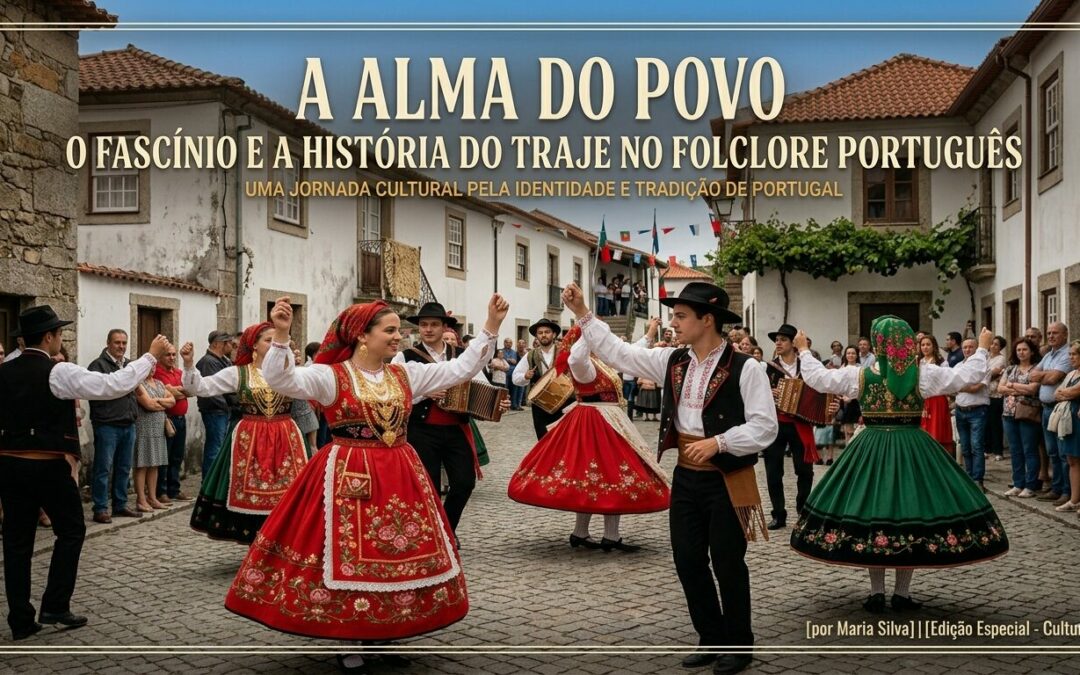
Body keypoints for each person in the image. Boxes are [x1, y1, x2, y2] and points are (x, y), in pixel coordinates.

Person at [223, 294, 507, 658]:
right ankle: (348, 633)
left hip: (400, 472)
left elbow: (462, 368)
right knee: (345, 552)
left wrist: (491, 325)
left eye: (398, 332)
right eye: (389, 331)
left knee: (394, 551)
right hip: (347, 472)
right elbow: (281, 379)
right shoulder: (331, 376)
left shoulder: (406, 374)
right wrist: (281, 335)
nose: (398, 338)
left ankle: (387, 626)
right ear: (361, 335)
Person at [563, 281, 776, 675]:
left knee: (728, 562)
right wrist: (582, 313)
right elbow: (620, 353)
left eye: (680, 316)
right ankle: (710, 636)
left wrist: (719, 443)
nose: (672, 323)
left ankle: (738, 643)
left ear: (706, 320)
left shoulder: (748, 369)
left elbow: (766, 427)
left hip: (727, 477)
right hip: (686, 478)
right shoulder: (672, 361)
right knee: (687, 559)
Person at [790, 319, 1007, 612]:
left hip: (872, 447)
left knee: (874, 513)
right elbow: (963, 376)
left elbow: (820, 379)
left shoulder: (862, 375)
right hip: (913, 448)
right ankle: (901, 594)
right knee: (911, 511)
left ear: (878, 344)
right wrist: (981, 348)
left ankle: (877, 592)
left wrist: (803, 351)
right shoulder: (922, 374)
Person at [0, 305, 170, 640]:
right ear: (48, 337)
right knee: (73, 531)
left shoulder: (4, 370)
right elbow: (112, 385)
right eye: (58, 333)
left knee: (17, 544)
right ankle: (55, 604)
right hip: (47, 465)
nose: (59, 339)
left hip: (10, 464)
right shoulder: (56, 372)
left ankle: (20, 619)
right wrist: (150, 357)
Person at [508, 324, 670, 552]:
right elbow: (576, 359)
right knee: (609, 473)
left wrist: (650, 334)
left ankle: (584, 533)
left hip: (607, 418)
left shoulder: (601, 361)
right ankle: (604, 535)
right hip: (596, 421)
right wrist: (586, 331)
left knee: (598, 475)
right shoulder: (584, 364)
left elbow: (629, 353)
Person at [184, 323, 310, 544]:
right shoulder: (239, 373)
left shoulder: (289, 373)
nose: (273, 345)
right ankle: (256, 541)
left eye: (276, 341)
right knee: (247, 487)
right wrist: (188, 365)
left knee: (291, 491)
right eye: (268, 341)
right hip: (250, 439)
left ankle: (283, 541)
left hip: (286, 437)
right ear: (254, 345)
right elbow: (200, 388)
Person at [392, 302, 505, 535]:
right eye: (424, 325)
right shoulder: (405, 357)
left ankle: (447, 529)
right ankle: (437, 535)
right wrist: (425, 392)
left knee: (464, 483)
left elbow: (481, 384)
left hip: (456, 429)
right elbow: (395, 392)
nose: (428, 329)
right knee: (430, 485)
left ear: (445, 327)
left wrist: (496, 402)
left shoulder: (462, 355)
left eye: (434, 324)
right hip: (422, 430)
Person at [761, 324, 824, 530]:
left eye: (783, 339)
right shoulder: (767, 368)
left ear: (793, 344)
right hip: (776, 423)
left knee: (805, 471)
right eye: (776, 339)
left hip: (801, 424)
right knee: (773, 471)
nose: (778, 343)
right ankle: (778, 514)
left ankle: (803, 511)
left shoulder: (807, 366)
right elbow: (755, 394)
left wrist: (831, 404)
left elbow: (822, 389)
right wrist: (768, 393)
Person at [88, 329, 142, 524]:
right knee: (103, 468)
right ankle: (100, 508)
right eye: (117, 342)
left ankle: (120, 504)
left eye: (124, 343)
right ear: (108, 343)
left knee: (124, 467)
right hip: (107, 425)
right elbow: (94, 392)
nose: (121, 346)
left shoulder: (129, 365)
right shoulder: (98, 365)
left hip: (128, 423)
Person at [1032, 323, 1072, 506]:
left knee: (1064, 453)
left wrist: (1045, 376)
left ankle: (1067, 491)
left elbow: (1053, 378)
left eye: (1055, 333)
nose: (1051, 336)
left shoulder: (1067, 354)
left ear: (1065, 334)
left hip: (1061, 408)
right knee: (1052, 452)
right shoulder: (1048, 355)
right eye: (1048, 333)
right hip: (1046, 408)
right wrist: (1045, 376)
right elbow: (1033, 375)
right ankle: (1056, 488)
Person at [999, 338, 1043, 498]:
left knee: (1029, 450)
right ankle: (1018, 483)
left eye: (1024, 349)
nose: (1021, 352)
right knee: (1015, 451)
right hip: (1009, 414)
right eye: (1018, 350)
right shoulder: (1010, 369)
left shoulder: (1036, 369)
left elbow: (1032, 389)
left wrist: (1011, 386)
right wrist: (1020, 389)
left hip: (1027, 414)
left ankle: (1030, 485)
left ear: (1031, 351)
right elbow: (999, 388)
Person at [512, 318, 570, 440]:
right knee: (544, 440)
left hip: (564, 402)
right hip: (540, 406)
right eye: (540, 332)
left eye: (547, 332)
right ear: (536, 336)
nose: (543, 335)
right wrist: (525, 376)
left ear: (554, 334)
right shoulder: (530, 355)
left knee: (564, 440)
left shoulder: (565, 352)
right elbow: (515, 377)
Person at [196, 330, 238, 481]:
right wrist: (228, 406)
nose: (231, 346)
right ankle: (209, 482)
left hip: (222, 411)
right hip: (215, 411)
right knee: (214, 449)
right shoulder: (209, 362)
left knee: (220, 449)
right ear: (217, 344)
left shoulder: (222, 360)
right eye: (228, 343)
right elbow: (212, 390)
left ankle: (217, 481)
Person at [154, 346, 193, 503]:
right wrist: (177, 391)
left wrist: (174, 390)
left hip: (181, 419)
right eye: (167, 355)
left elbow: (190, 391)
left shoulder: (178, 372)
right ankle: (161, 491)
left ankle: (174, 489)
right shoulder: (157, 372)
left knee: (177, 456)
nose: (171, 357)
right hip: (167, 419)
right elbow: (164, 393)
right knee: (165, 457)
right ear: (160, 357)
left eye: (173, 355)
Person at [133, 371, 174, 512]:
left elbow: (172, 400)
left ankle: (152, 497)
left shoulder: (159, 383)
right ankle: (141, 499)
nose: (152, 368)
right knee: (142, 463)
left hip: (158, 428)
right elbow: (148, 404)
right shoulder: (138, 383)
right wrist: (163, 403)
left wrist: (158, 402)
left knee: (154, 463)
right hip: (144, 427)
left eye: (153, 365)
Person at [955, 338, 991, 490]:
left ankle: (978, 479)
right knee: (965, 447)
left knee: (976, 446)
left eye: (971, 347)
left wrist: (959, 386)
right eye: (965, 347)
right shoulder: (958, 365)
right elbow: (951, 387)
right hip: (960, 410)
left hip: (977, 410)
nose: (967, 350)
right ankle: (968, 477)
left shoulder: (984, 366)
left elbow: (976, 388)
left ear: (977, 349)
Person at [1050, 340, 1080, 513]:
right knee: (1071, 459)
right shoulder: (1071, 374)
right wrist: (1066, 393)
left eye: (1074, 354)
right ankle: (1074, 499)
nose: (1071, 357)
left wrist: (1066, 393)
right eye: (1069, 354)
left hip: (1076, 419)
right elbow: (1057, 393)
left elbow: (1072, 392)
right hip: (1068, 419)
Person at [919, 335, 955, 458]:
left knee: (937, 430)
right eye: (922, 345)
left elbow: (945, 381)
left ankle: (938, 458)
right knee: (923, 429)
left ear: (933, 346)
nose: (925, 347)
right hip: (923, 400)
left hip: (937, 399)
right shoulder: (918, 362)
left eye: (928, 344)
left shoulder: (941, 362)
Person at [289, 344, 320, 452]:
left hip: (305, 413)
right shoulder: (301, 370)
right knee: (307, 446)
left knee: (310, 446)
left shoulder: (298, 371)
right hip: (303, 414)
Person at [986, 336, 1008, 462]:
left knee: (995, 423)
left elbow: (994, 372)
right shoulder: (987, 357)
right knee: (987, 423)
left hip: (996, 394)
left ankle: (998, 450)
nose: (993, 346)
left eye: (996, 344)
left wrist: (985, 374)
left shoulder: (1001, 358)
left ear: (1000, 347)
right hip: (986, 393)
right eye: (992, 344)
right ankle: (987, 449)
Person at [502, 338, 521, 409]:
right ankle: (505, 405)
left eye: (510, 343)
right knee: (505, 389)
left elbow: (515, 362)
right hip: (504, 373)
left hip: (513, 373)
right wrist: (510, 360)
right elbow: (502, 359)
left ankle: (514, 405)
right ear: (504, 343)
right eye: (507, 342)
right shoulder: (501, 351)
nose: (508, 344)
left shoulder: (514, 352)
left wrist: (508, 360)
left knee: (514, 390)